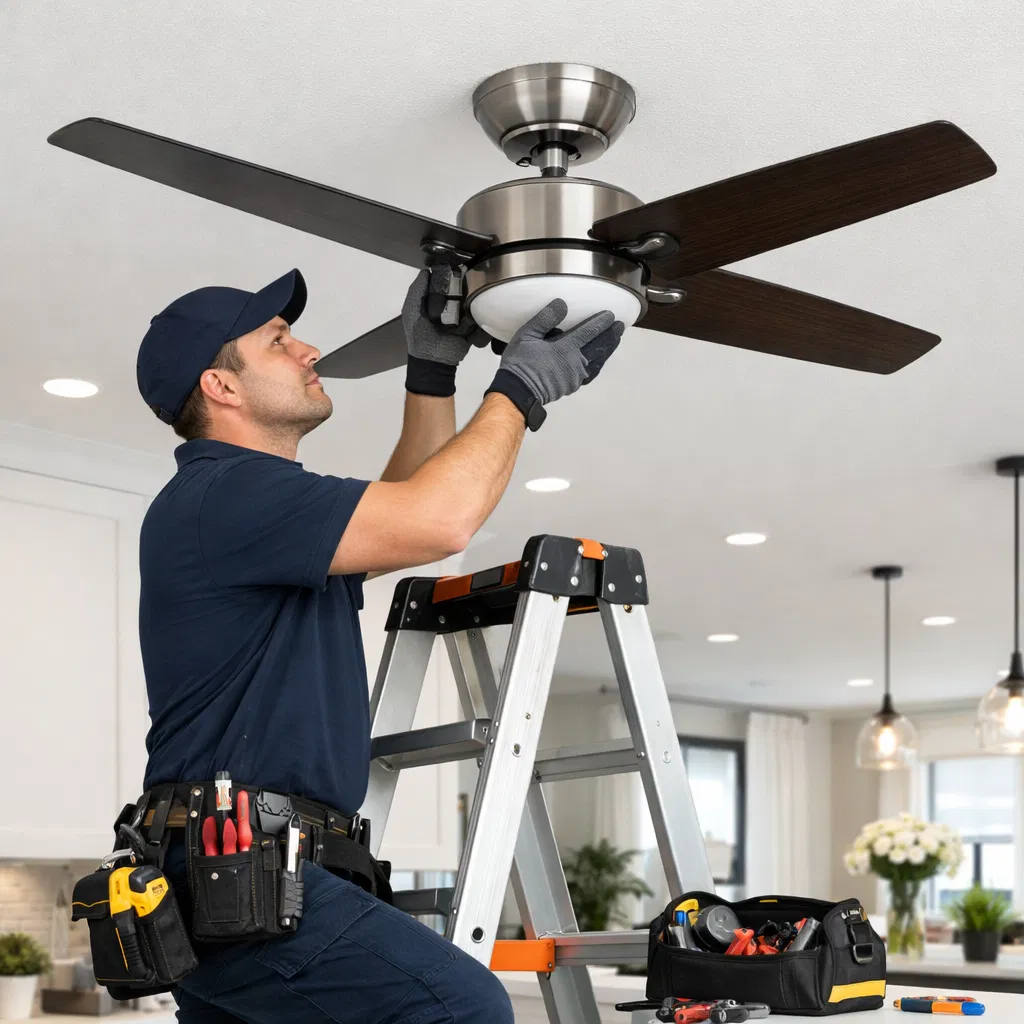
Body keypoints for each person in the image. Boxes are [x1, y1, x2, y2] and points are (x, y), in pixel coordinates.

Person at [133, 263, 624, 1024]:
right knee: (466, 1010)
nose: (309, 351)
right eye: (278, 341)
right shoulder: (226, 494)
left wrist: (431, 373)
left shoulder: (255, 508)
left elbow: (406, 512)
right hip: (243, 873)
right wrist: (520, 392)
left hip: (240, 874)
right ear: (221, 386)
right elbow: (441, 519)